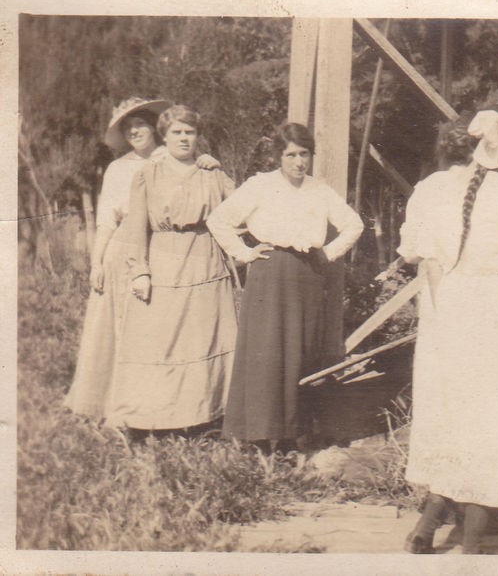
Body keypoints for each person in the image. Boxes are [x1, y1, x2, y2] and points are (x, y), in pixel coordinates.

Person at [397, 109, 498, 554]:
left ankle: (429, 524)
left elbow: (413, 250)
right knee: (491, 419)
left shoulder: (429, 189)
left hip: (445, 306)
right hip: (492, 308)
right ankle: (471, 539)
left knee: (452, 415)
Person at [207, 122, 363, 452]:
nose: (298, 162)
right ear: (279, 156)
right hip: (269, 272)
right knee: (266, 352)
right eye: (290, 155)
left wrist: (329, 253)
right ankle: (260, 435)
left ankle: (294, 434)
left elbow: (354, 224)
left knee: (300, 352)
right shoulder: (260, 185)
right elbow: (218, 220)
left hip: (307, 274)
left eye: (304, 154)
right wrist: (245, 253)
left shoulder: (319, 189)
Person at [65, 97, 220, 421]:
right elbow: (107, 219)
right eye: (127, 128)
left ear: (155, 128)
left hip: (167, 250)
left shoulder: (181, 158)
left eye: (139, 125)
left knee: (161, 331)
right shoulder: (119, 168)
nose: (134, 132)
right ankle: (114, 406)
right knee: (119, 327)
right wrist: (97, 262)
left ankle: (163, 405)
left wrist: (205, 161)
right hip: (124, 248)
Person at [105, 104, 237, 433]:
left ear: (198, 137)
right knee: (160, 340)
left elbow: (242, 210)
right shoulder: (148, 173)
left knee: (204, 338)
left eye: (189, 132)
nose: (183, 138)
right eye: (176, 132)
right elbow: (136, 227)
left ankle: (206, 416)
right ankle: (152, 419)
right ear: (164, 136)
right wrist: (140, 271)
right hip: (164, 260)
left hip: (205, 261)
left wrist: (220, 171)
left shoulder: (213, 173)